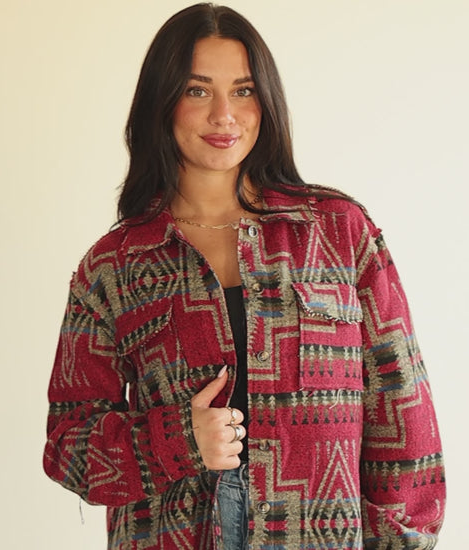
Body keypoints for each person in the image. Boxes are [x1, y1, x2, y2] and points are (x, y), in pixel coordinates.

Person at [43, 3, 445, 549]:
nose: (224, 115)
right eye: (197, 90)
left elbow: (402, 404)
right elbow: (67, 445)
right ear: (162, 101)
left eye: (243, 90)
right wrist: (177, 441)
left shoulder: (338, 232)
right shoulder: (114, 265)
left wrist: (402, 542)